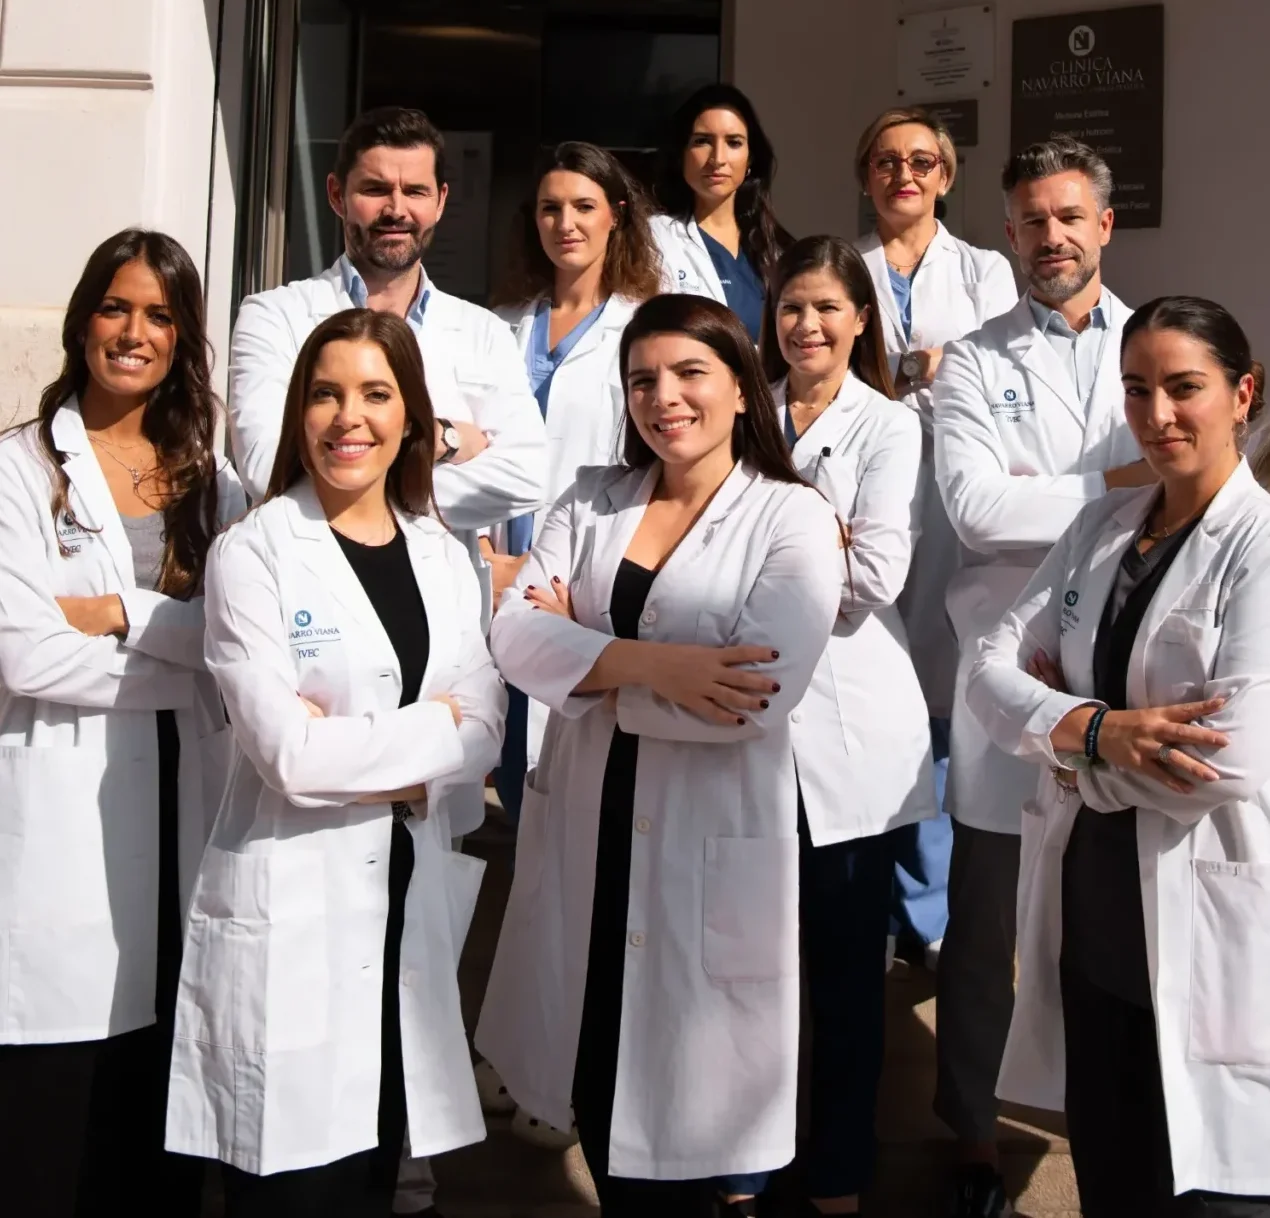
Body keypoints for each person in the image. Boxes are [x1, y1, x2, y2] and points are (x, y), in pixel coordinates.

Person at [475, 293, 842, 1215]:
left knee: (686, 1133)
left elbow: (752, 697)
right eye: (642, 380)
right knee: (596, 1088)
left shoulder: (793, 518)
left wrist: (584, 656)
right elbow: (512, 636)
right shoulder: (592, 498)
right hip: (589, 835)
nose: (663, 398)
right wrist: (660, 665)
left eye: (689, 373)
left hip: (704, 850)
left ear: (741, 386)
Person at [167, 309, 505, 1215]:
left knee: (376, 1178)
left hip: (404, 911)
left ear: (410, 417)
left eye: (375, 394)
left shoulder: (442, 554)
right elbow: (289, 755)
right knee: (293, 1187)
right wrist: (429, 743)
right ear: (299, 413)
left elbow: (488, 725)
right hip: (293, 910)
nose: (348, 418)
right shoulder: (255, 552)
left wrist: (366, 747)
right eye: (326, 394)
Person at [968, 296, 1270, 1218]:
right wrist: (1100, 731)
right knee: (1113, 1172)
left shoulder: (1259, 546)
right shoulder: (1101, 526)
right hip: (1094, 917)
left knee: (1211, 1189)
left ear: (1243, 394)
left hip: (1205, 909)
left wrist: (1059, 739)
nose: (1157, 414)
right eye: (1137, 390)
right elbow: (988, 670)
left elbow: (1226, 763)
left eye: (1184, 388)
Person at [0, 228, 245, 1218]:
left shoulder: (214, 482)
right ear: (82, 321)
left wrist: (119, 613)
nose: (134, 332)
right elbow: (24, 655)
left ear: (183, 337)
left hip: (189, 811)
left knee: (156, 1135)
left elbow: (243, 639)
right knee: (52, 1129)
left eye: (159, 315)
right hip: (65, 811)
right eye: (115, 307)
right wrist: (188, 659)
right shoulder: (20, 468)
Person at [931, 135, 1147, 1218]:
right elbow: (977, 511)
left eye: (1069, 217)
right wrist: (1116, 482)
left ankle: (1118, 1128)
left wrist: (1051, 492)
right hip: (1005, 665)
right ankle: (973, 1135)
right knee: (982, 930)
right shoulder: (972, 361)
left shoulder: (1152, 342)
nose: (1049, 237)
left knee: (1114, 920)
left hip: (1121, 667)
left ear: (1103, 224)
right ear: (1008, 232)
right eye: (1030, 221)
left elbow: (1187, 483)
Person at [716, 237, 934, 1218]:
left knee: (845, 976)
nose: (806, 325)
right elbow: (696, 548)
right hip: (745, 720)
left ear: (860, 320)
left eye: (826, 308)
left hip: (851, 738)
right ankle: (746, 1168)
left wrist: (764, 551)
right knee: (745, 970)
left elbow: (874, 577)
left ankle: (838, 1176)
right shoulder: (738, 408)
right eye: (791, 307)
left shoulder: (889, 425)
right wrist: (815, 541)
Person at [228, 104, 548, 634]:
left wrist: (351, 467)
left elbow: (527, 476)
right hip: (315, 604)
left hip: (445, 614)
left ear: (440, 202)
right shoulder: (275, 316)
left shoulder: (483, 331)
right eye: (376, 189)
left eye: (415, 191)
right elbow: (267, 469)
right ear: (337, 195)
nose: (396, 209)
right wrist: (442, 439)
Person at [854, 106, 1017, 967]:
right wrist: (927, 367)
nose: (904, 175)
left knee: (945, 706)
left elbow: (994, 370)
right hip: (866, 488)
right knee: (872, 696)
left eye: (922, 161)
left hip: (956, 500)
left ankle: (926, 915)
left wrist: (904, 371)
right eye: (887, 161)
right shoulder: (843, 266)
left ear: (946, 177)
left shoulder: (986, 271)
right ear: (866, 176)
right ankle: (881, 910)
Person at [490, 139, 663, 812]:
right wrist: (488, 563)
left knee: (568, 787)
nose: (566, 223)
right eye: (550, 208)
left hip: (579, 579)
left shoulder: (642, 329)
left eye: (584, 207)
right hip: (492, 573)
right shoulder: (498, 328)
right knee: (499, 766)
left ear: (615, 215)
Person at [650, 83, 792, 340]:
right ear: (681, 154)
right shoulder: (653, 238)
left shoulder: (776, 250)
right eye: (702, 141)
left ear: (750, 159)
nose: (718, 158)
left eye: (733, 142)